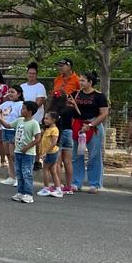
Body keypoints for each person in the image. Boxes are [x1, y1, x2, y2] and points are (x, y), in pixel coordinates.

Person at [67, 71, 109, 193]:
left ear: (90, 82)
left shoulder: (99, 96)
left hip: (93, 125)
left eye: (83, 81)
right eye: (80, 80)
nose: (80, 83)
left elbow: (104, 113)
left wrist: (91, 125)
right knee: (76, 155)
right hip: (78, 125)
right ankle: (76, 182)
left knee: (94, 155)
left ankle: (94, 183)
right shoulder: (75, 94)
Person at [0, 100, 42, 203]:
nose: (21, 110)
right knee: (19, 173)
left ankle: (28, 194)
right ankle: (20, 192)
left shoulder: (34, 123)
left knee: (26, 173)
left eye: (23, 109)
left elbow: (37, 138)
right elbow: (8, 126)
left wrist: (27, 147)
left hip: (28, 154)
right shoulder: (19, 120)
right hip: (18, 152)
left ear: (30, 111)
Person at [50, 58, 81, 194]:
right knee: (65, 159)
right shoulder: (57, 79)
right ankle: (64, 185)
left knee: (60, 158)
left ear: (69, 66)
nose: (60, 68)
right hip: (58, 117)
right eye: (59, 66)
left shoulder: (77, 80)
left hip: (67, 119)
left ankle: (61, 185)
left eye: (62, 65)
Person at [0, 86, 22, 185]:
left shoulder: (21, 104)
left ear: (19, 94)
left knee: (14, 155)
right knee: (7, 154)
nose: (10, 94)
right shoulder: (6, 103)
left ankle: (18, 177)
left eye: (13, 92)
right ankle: (12, 176)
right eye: (9, 92)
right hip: (5, 130)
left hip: (14, 130)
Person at [36, 111, 63, 197]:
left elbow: (54, 143)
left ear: (54, 120)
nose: (45, 120)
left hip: (51, 152)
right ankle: (58, 189)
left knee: (45, 169)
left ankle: (46, 188)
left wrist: (45, 152)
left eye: (47, 118)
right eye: (45, 118)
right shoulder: (48, 129)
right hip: (49, 152)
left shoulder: (54, 130)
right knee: (53, 171)